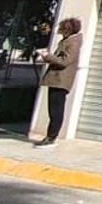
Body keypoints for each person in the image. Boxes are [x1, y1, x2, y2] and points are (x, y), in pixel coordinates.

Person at [34, 18, 82, 147]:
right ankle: (50, 136)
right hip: (56, 79)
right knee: (53, 109)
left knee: (56, 111)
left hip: (60, 80)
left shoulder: (73, 42)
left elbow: (64, 61)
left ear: (68, 30)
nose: (59, 31)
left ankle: (51, 138)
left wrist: (47, 56)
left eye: (61, 28)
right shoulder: (68, 40)